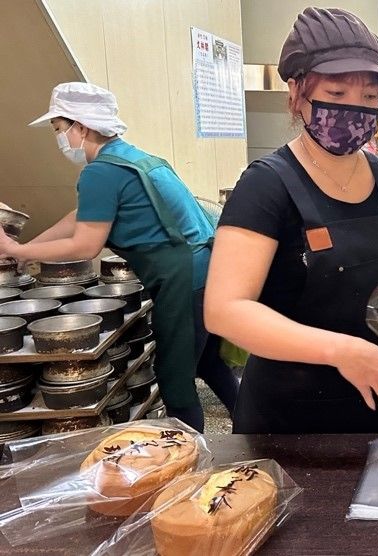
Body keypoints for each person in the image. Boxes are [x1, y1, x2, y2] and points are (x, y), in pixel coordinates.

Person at [204, 8, 378, 434]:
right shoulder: (266, 186)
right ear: (297, 91)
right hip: (288, 419)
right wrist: (339, 350)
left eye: (370, 98)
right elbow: (226, 310)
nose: (356, 110)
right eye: (336, 94)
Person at [0, 82, 238, 432]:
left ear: (81, 126)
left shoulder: (101, 171)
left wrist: (17, 250)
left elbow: (85, 244)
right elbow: (83, 215)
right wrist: (27, 247)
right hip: (207, 270)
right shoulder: (133, 158)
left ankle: (191, 463)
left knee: (173, 377)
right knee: (206, 362)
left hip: (184, 279)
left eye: (60, 129)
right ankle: (252, 425)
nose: (60, 139)